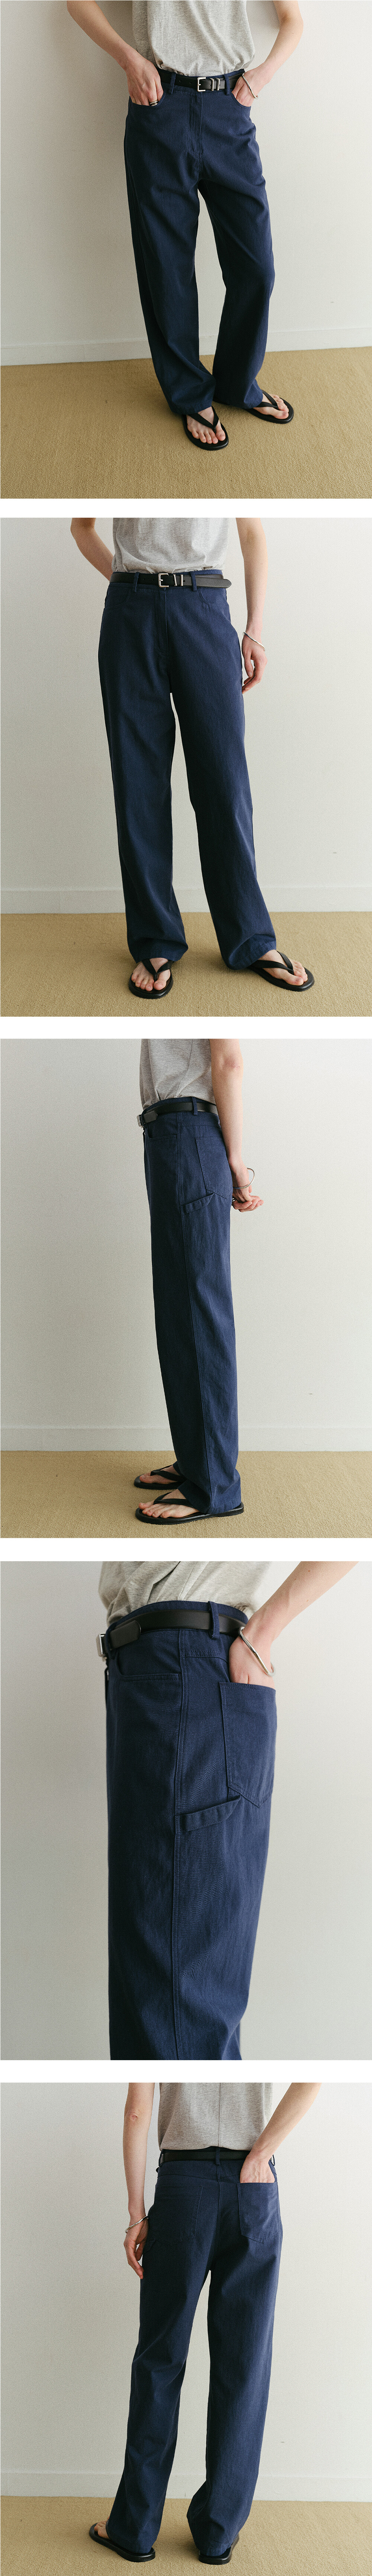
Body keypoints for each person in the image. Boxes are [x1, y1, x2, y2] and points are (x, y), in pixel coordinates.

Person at [97, 1558, 355, 2056]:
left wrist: (265, 1629)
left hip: (187, 1666)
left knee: (174, 2000)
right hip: (160, 1670)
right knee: (164, 1988)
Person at [71, 513, 313, 998]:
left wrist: (255, 628)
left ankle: (251, 938)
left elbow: (251, 532)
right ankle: (155, 939)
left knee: (224, 784)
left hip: (204, 604)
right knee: (139, 786)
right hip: (130, 611)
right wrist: (126, 577)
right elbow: (82, 526)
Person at [90, 2075, 320, 2559]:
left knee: (160, 2360)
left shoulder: (160, 2034)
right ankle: (218, 2531)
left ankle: (134, 2528)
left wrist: (136, 2213)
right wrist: (261, 2154)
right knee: (244, 2364)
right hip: (253, 2186)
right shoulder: (257, 2030)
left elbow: (137, 2111)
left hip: (183, 2187)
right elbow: (312, 2077)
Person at [67, 3, 304, 449]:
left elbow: (292, 19)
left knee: (256, 268)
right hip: (160, 104)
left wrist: (262, 76)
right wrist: (129, 60)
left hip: (230, 107)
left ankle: (237, 383)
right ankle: (190, 393)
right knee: (167, 268)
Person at [135, 1034, 262, 1525]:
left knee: (199, 1316)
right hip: (170, 1136)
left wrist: (237, 1161)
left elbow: (228, 1061)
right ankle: (196, 1462)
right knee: (178, 1311)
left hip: (190, 1132)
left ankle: (215, 1486)